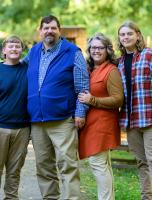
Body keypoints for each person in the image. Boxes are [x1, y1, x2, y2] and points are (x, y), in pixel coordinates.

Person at [23, 15, 89, 200]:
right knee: (44, 167)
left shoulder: (72, 52)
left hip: (63, 120)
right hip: (37, 121)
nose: (49, 31)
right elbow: (18, 69)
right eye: (46, 28)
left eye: (53, 28)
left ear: (59, 31)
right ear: (40, 31)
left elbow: (83, 87)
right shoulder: (34, 52)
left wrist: (80, 113)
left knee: (67, 165)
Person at [0, 35, 30, 200]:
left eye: (17, 46)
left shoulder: (28, 69)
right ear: (4, 51)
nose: (14, 49)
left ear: (21, 50)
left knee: (14, 172)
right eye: (11, 46)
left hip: (22, 129)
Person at [78, 33, 124, 200]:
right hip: (91, 124)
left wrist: (93, 100)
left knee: (98, 163)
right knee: (103, 165)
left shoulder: (111, 71)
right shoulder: (89, 69)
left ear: (107, 50)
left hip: (103, 124)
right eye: (93, 47)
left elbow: (118, 99)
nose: (96, 51)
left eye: (100, 47)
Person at [118, 21, 152, 200]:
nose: (125, 37)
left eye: (129, 33)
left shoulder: (149, 55)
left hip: (149, 117)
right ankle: (146, 197)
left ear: (138, 35)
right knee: (142, 162)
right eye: (122, 35)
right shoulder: (120, 62)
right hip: (130, 120)